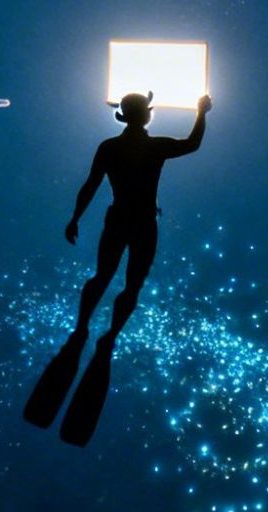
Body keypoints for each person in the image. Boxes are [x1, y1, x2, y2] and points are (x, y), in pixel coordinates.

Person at [64, 90, 211, 342]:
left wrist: (75, 218)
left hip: (118, 218)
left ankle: (82, 328)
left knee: (103, 276)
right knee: (133, 284)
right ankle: (110, 336)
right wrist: (201, 112)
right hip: (143, 223)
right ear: (146, 115)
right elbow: (192, 143)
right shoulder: (155, 147)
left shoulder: (110, 147)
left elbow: (91, 184)